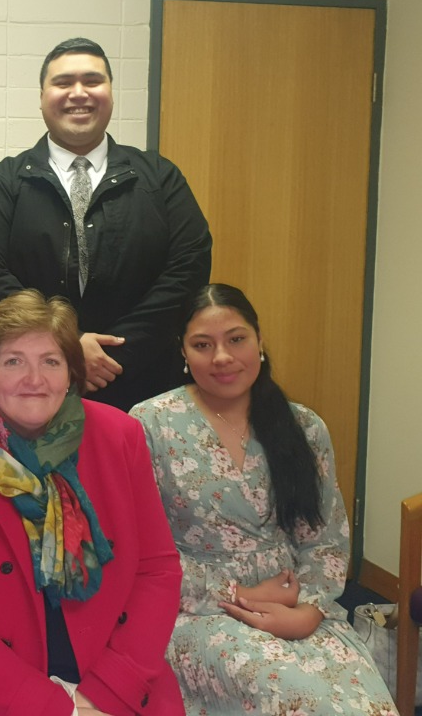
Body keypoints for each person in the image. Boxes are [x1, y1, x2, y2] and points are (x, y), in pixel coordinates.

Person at [0, 289, 184, 715]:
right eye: (13, 361)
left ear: (70, 374)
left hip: (108, 675)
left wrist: (106, 691)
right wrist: (54, 709)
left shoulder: (120, 436)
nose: (35, 379)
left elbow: (157, 570)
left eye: (51, 361)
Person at [128, 283, 397, 715]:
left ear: (260, 341)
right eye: (203, 344)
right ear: (182, 351)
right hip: (201, 611)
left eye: (236, 339)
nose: (222, 356)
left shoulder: (304, 427)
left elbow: (325, 540)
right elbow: (141, 551)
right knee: (299, 699)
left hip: (299, 604)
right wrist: (240, 594)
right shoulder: (150, 424)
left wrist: (309, 609)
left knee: (364, 705)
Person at [0, 37, 212, 412]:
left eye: (93, 81)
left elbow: (187, 271)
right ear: (42, 96)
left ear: (110, 92)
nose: (79, 93)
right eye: (63, 83)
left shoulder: (160, 178)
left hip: (142, 390)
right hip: (27, 392)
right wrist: (65, 349)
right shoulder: (4, 182)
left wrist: (113, 354)